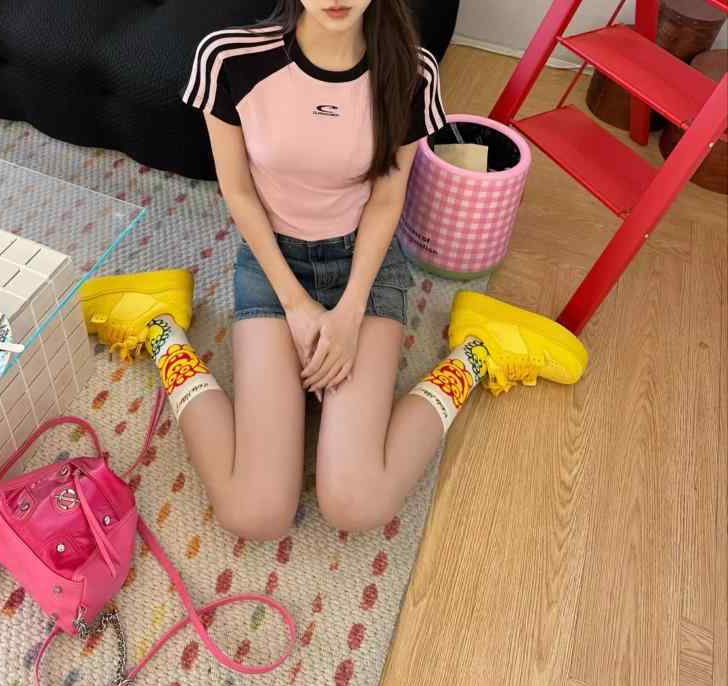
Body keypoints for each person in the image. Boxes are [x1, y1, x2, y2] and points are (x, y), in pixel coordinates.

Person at [79, 0, 589, 541]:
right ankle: (159, 325)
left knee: (357, 503)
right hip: (274, 266)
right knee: (254, 512)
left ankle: (478, 349)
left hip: (363, 268)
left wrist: (348, 315)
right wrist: (297, 306)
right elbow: (239, 193)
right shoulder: (228, 58)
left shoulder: (412, 71)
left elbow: (387, 201)